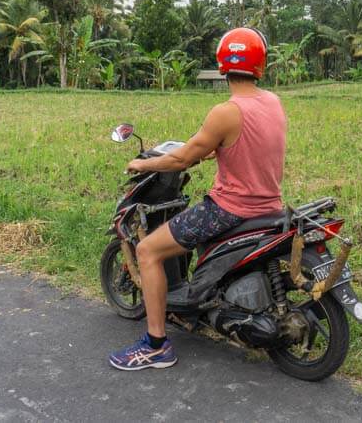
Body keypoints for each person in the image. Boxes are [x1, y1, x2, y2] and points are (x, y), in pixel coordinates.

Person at [108, 27, 288, 371]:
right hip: (269, 207)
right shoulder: (273, 102)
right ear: (260, 64)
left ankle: (156, 345)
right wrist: (213, 150)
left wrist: (142, 162)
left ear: (223, 64)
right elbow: (245, 146)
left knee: (147, 251)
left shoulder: (225, 111)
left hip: (229, 210)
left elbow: (181, 158)